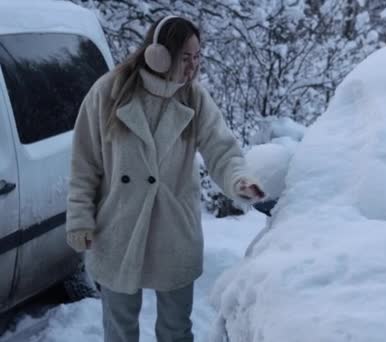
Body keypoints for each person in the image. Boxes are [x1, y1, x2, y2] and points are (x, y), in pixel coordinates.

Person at [65, 15, 265, 342]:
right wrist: (79, 219)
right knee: (119, 330)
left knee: (175, 330)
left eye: (198, 57)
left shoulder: (194, 99)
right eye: (185, 57)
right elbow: (84, 162)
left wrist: (239, 180)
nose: (193, 66)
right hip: (118, 228)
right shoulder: (108, 94)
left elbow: (222, 150)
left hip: (174, 230)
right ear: (158, 54)